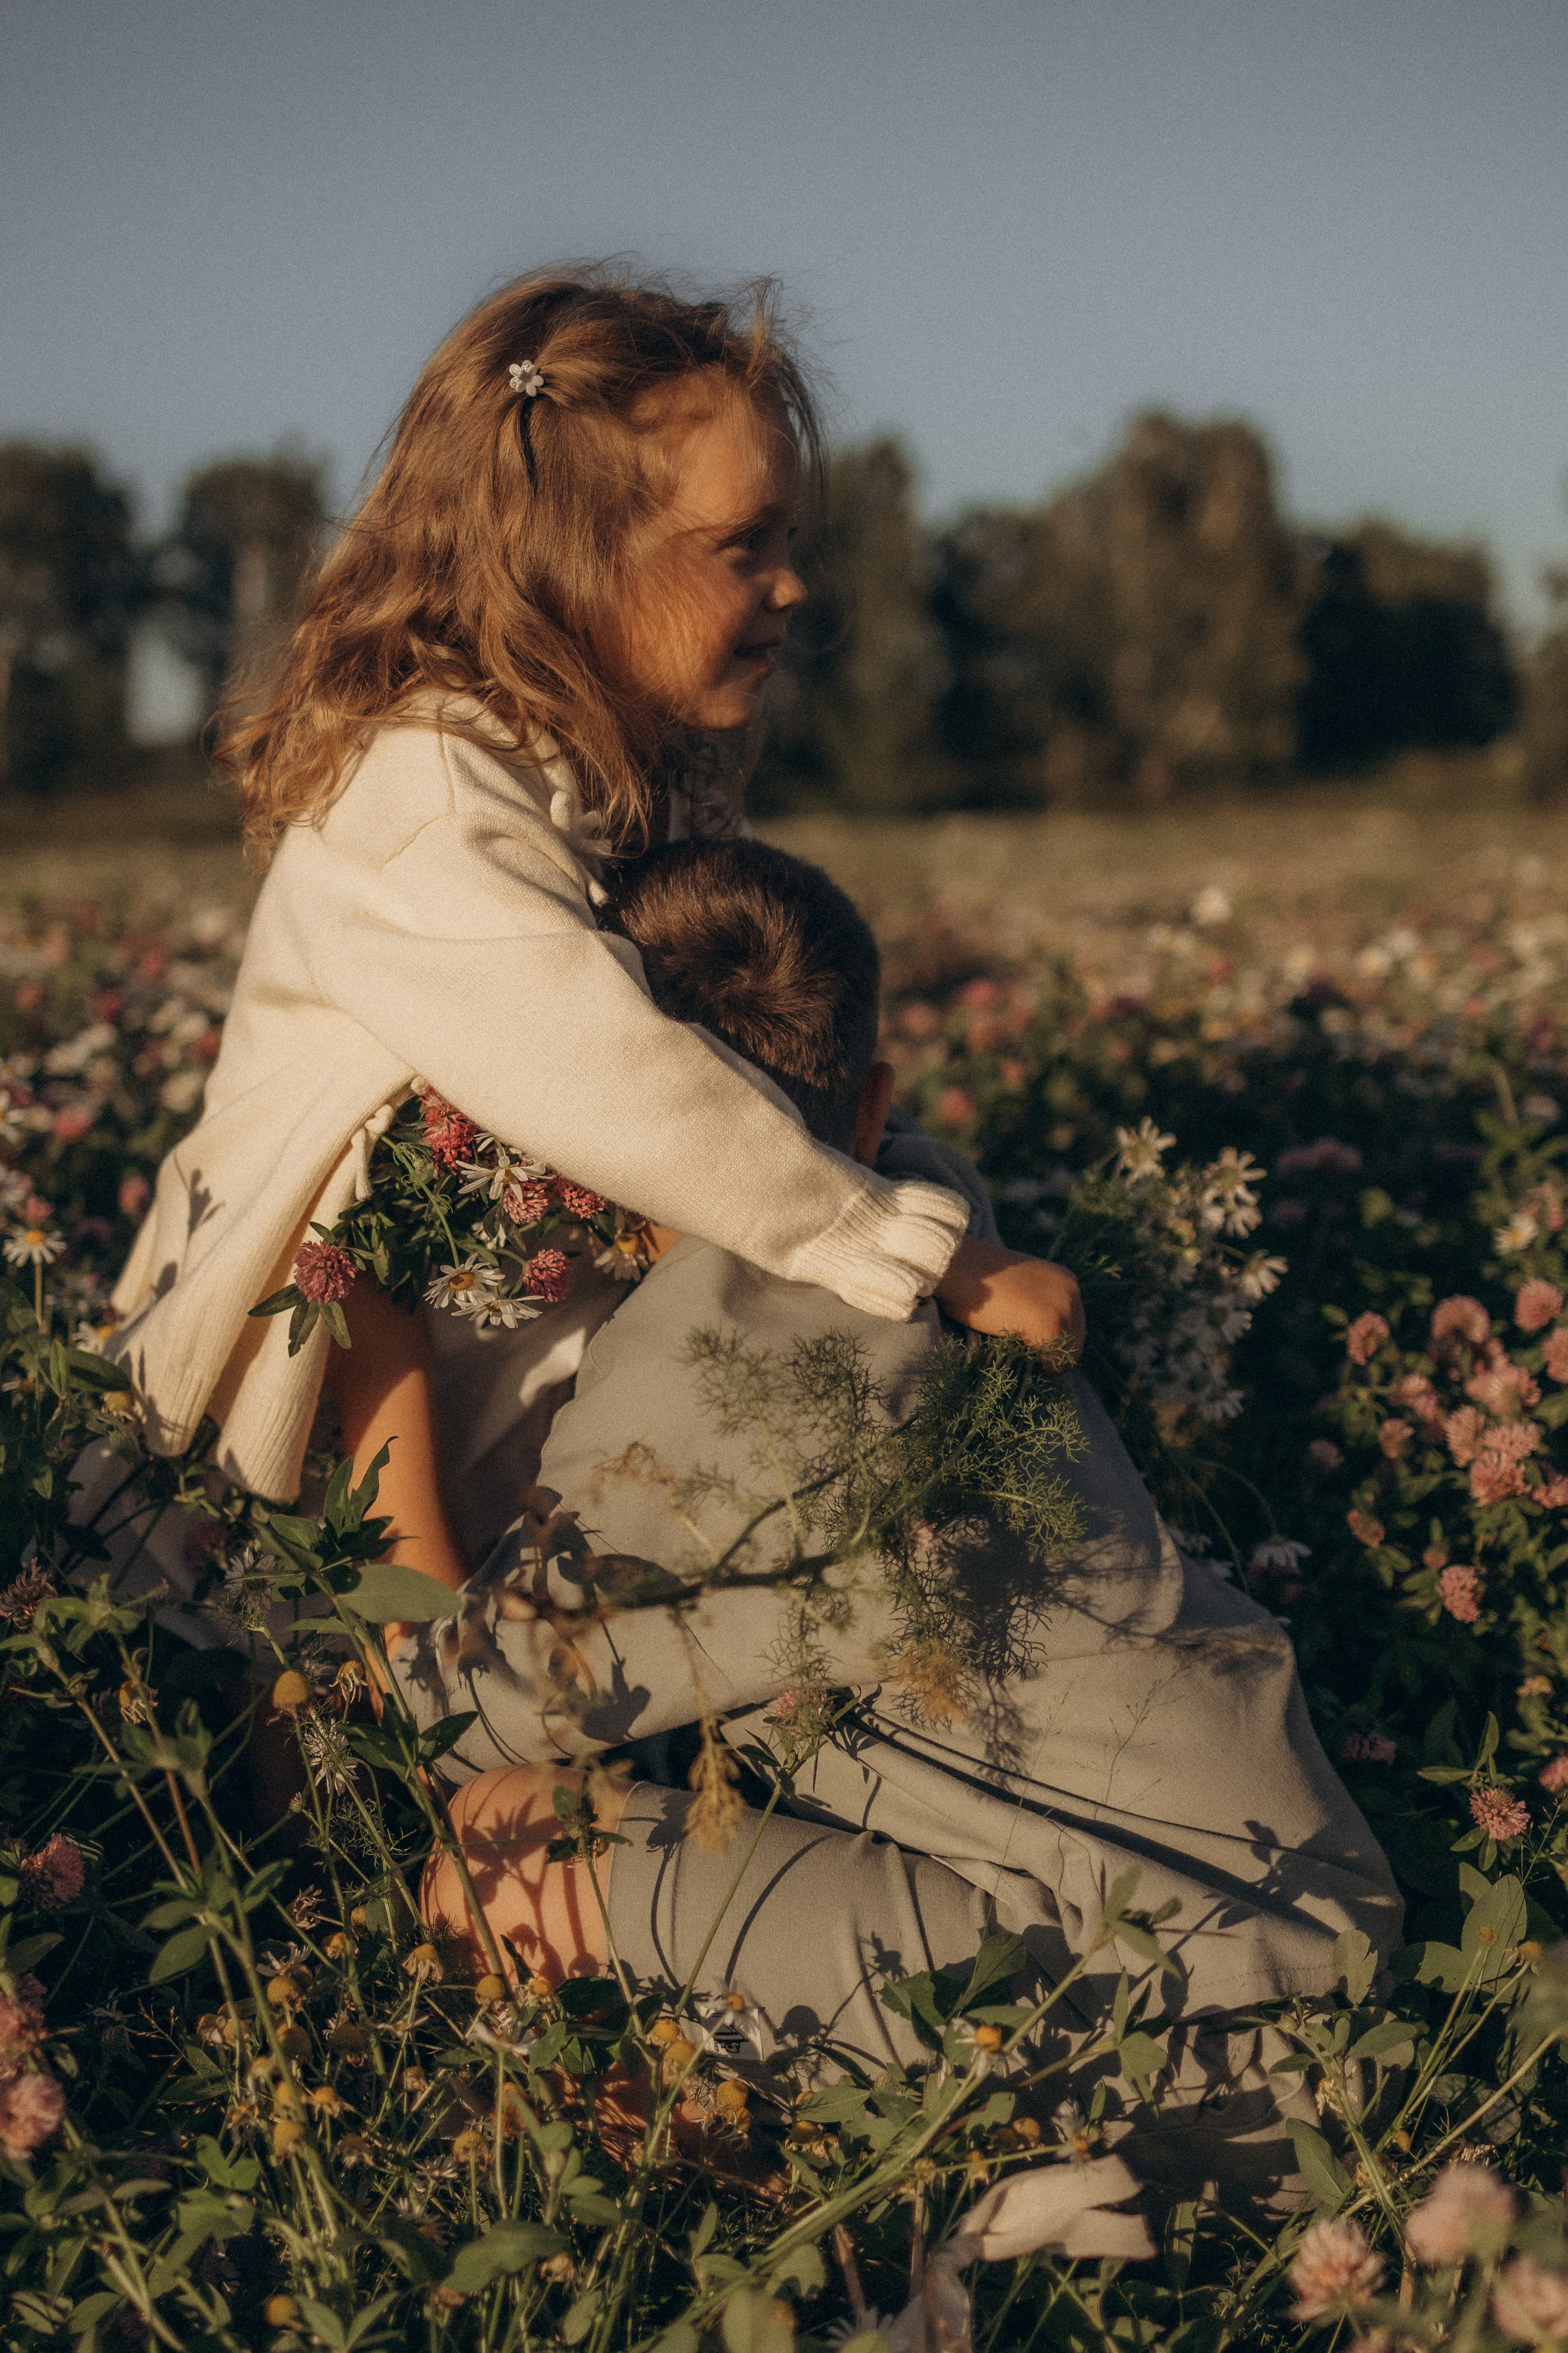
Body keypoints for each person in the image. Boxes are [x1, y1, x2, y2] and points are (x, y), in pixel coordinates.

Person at [409, 839, 1402, 2204]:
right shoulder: (939, 1230)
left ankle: (731, 2235)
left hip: (1160, 2034)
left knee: (495, 1854)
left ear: (588, 1133)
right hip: (1325, 1961)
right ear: (870, 1105)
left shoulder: (712, 1359)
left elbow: (461, 1710)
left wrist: (378, 1401)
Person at [91, 267, 1079, 1630]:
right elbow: (604, 1063)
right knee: (325, 1647)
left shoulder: (615, 761)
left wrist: (904, 1200)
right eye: (743, 544)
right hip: (318, 1335)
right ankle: (352, 1764)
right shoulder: (428, 785)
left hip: (486, 1296)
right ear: (571, 557)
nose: (792, 583)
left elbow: (716, 1055)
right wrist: (910, 1248)